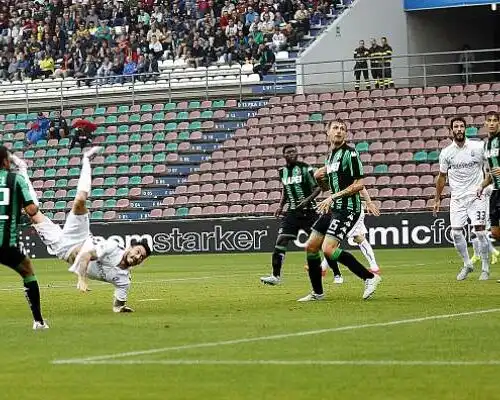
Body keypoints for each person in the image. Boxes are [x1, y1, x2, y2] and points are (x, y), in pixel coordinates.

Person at [12, 148, 152, 313]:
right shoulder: (113, 247)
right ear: (130, 247)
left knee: (32, 212)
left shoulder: (124, 281)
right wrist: (82, 279)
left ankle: (22, 169)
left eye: (140, 257)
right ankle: (86, 159)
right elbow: (85, 255)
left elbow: (117, 305)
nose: (137, 257)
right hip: (82, 238)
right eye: (137, 251)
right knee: (79, 201)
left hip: (62, 247)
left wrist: (120, 308)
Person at [299, 120, 382, 302]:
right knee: (311, 246)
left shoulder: (350, 154)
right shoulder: (331, 157)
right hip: (334, 207)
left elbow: (359, 184)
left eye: (343, 129)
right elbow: (328, 186)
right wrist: (319, 180)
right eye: (335, 128)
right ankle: (318, 293)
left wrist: (334, 197)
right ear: (327, 132)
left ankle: (370, 277)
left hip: (348, 209)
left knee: (328, 249)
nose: (339, 131)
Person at [260, 144, 342, 285]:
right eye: (289, 152)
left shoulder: (305, 169)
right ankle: (275, 276)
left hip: (309, 212)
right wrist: (280, 205)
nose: (292, 154)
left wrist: (306, 201)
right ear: (284, 155)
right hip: (292, 213)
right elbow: (285, 190)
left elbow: (318, 188)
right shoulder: (283, 172)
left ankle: (337, 273)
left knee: (323, 245)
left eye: (294, 152)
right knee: (281, 240)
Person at [434, 117, 490, 280]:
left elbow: (489, 168)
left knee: (480, 232)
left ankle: (485, 268)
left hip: (476, 196)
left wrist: (485, 187)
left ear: (465, 129)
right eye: (456, 127)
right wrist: (437, 198)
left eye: (462, 126)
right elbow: (442, 177)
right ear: (451, 130)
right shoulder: (446, 153)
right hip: (457, 198)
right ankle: (467, 264)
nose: (459, 129)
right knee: (456, 233)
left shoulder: (478, 147)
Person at [0, 147, 48, 329]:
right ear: (6, 161)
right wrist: (31, 203)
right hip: (5, 242)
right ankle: (38, 321)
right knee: (27, 270)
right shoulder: (15, 179)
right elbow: (31, 211)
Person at [320, 189, 381, 277]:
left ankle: (374, 267)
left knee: (356, 237)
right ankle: (323, 268)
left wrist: (369, 202)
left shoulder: (349, 178)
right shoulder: (335, 179)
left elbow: (361, 187)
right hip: (341, 210)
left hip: (353, 211)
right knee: (334, 240)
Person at [470, 184, 499, 265]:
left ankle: (480, 255)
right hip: (481, 215)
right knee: (480, 235)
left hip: (486, 215)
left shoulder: (489, 188)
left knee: (475, 235)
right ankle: (492, 254)